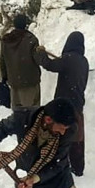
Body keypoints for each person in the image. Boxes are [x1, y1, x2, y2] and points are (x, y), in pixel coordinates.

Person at [35, 32, 88, 176]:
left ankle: (59, 163)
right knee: (77, 138)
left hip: (64, 106)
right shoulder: (84, 61)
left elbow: (49, 65)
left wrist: (40, 54)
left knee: (60, 135)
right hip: (77, 104)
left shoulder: (67, 59)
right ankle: (78, 167)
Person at [0, 14, 42, 109]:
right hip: (30, 81)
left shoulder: (6, 40)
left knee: (18, 112)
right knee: (32, 111)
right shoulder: (31, 39)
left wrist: (4, 77)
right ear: (26, 25)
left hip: (14, 81)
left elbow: (2, 60)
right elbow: (38, 59)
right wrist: (41, 52)